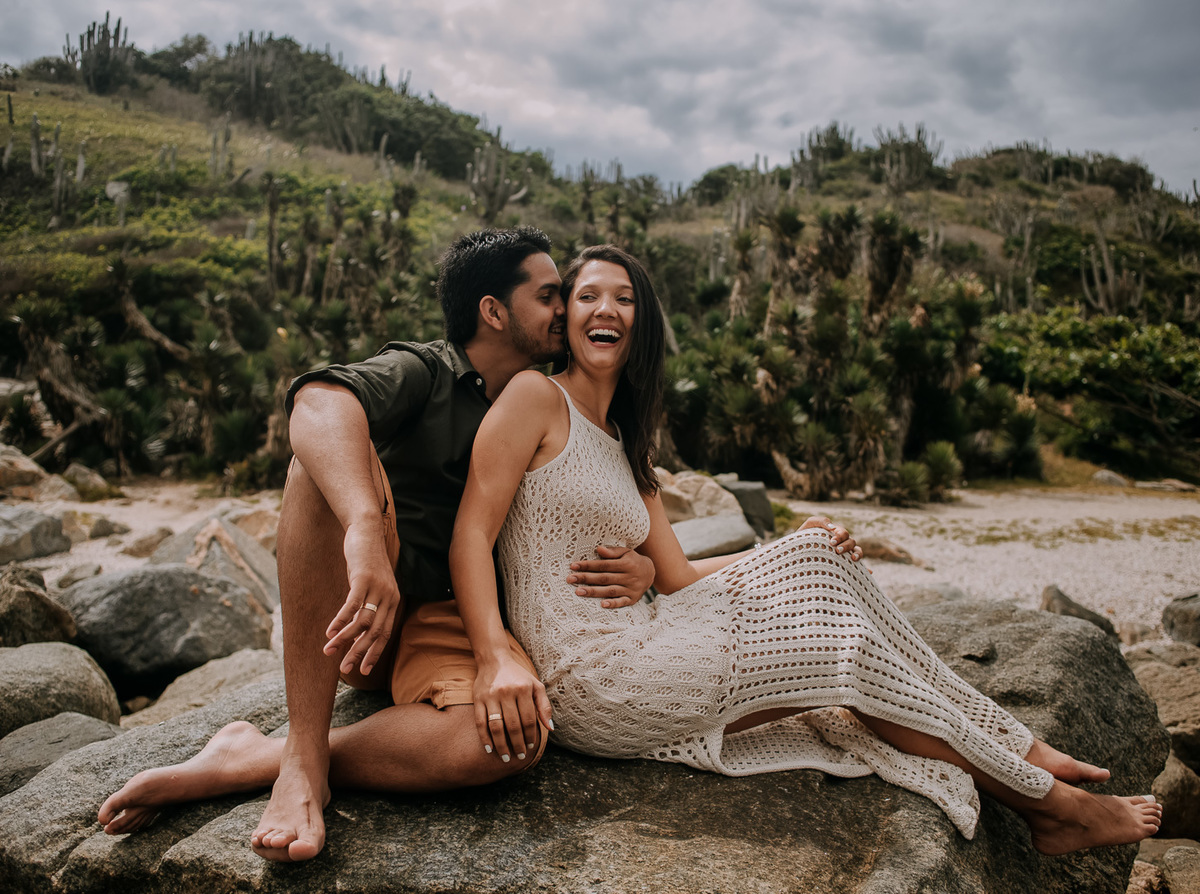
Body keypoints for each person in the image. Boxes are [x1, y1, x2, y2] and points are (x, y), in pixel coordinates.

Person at [449, 243, 1162, 856]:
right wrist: (493, 656)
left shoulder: (627, 442)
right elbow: (471, 535)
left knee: (820, 557)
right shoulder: (535, 398)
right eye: (587, 296)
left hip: (648, 633)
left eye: (625, 297)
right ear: (566, 316)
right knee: (840, 653)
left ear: (644, 321)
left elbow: (677, 574)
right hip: (593, 678)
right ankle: (1051, 805)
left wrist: (796, 546)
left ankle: (1009, 739)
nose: (606, 309)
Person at [96, 228, 656, 862]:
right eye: (550, 296)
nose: (566, 310)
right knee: (318, 464)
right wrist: (363, 529)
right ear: (494, 312)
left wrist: (641, 568)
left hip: (456, 621)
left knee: (509, 740)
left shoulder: (561, 399)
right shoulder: (426, 370)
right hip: (367, 616)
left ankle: (251, 756)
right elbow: (315, 401)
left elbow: (598, 510)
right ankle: (301, 762)